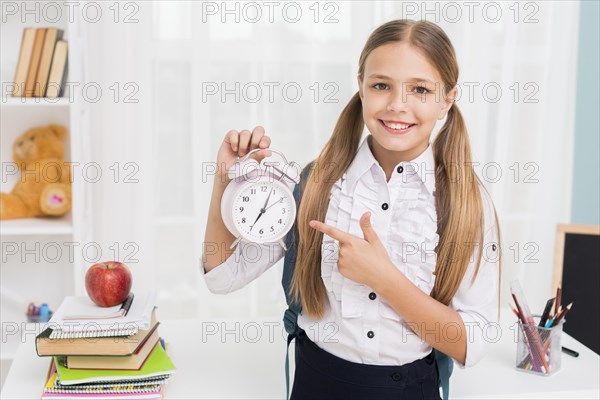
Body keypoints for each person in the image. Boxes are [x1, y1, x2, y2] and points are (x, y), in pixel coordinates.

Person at [202, 19, 501, 400]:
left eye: (420, 90)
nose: (397, 105)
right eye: (381, 85)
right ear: (360, 87)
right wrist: (225, 183)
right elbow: (222, 276)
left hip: (411, 390)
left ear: (447, 99)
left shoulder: (467, 204)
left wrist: (383, 279)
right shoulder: (315, 184)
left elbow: (470, 343)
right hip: (316, 383)